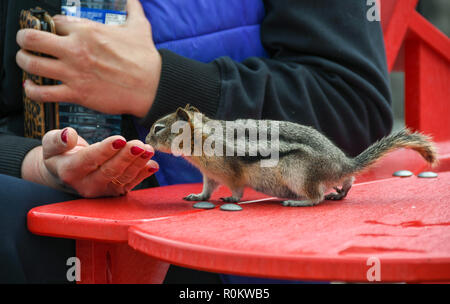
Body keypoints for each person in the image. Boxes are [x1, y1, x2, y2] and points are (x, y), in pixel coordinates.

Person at [1, 0, 393, 283]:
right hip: (42, 220)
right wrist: (31, 161)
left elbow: (354, 109)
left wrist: (156, 83)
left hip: (228, 257)